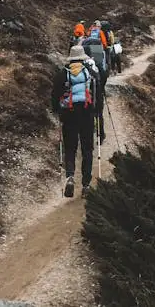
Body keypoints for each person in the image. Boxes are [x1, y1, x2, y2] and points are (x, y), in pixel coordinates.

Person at [51, 45, 99, 198]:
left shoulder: (62, 74)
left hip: (69, 115)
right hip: (86, 114)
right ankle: (86, 185)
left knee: (70, 148)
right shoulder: (89, 73)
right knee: (87, 149)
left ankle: (70, 177)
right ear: (83, 57)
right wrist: (96, 109)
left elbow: (55, 96)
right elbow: (96, 92)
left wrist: (57, 111)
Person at [82, 35, 108, 143]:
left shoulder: (83, 64)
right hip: (98, 92)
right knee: (99, 113)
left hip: (86, 94)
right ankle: (101, 135)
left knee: (88, 114)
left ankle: (89, 133)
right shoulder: (99, 63)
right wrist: (101, 87)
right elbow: (105, 75)